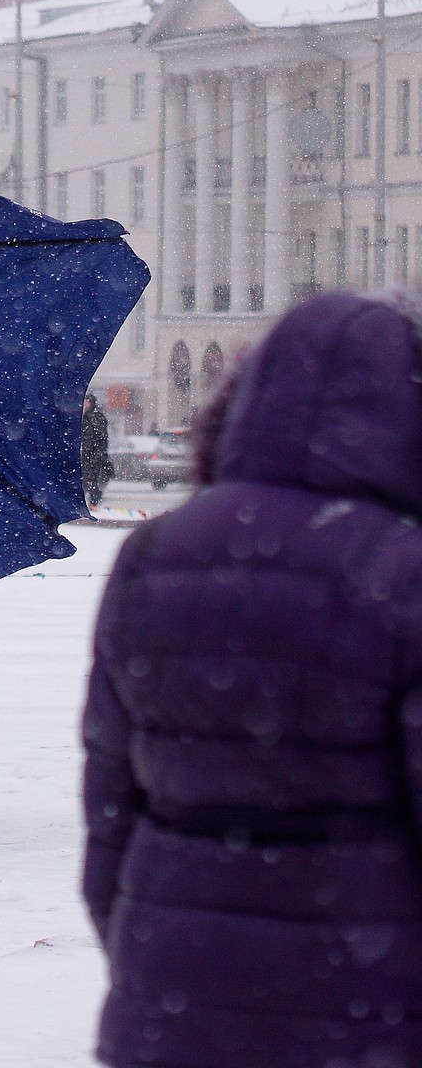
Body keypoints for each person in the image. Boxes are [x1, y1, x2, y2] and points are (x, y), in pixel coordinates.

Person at [81, 291, 422, 1068]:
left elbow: (110, 811)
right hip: (369, 1001)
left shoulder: (154, 556)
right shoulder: (400, 570)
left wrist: (159, 958)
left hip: (170, 995)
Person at [80, 392, 110, 508]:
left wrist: (97, 454)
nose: (85, 405)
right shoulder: (81, 418)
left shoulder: (96, 418)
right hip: (85, 456)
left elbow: (101, 439)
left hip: (93, 457)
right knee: (84, 482)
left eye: (87, 402)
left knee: (92, 481)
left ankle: (93, 503)